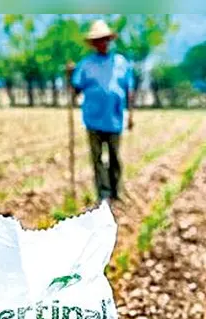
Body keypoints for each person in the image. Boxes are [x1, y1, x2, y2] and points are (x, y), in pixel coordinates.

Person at [66, 20, 135, 202]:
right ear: (94, 44)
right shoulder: (85, 65)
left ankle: (116, 191)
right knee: (97, 159)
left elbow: (129, 89)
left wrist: (131, 116)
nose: (102, 43)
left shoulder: (121, 62)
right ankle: (103, 194)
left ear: (109, 40)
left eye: (105, 39)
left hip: (115, 118)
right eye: (98, 40)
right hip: (93, 117)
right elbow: (76, 88)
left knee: (114, 157)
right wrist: (69, 75)